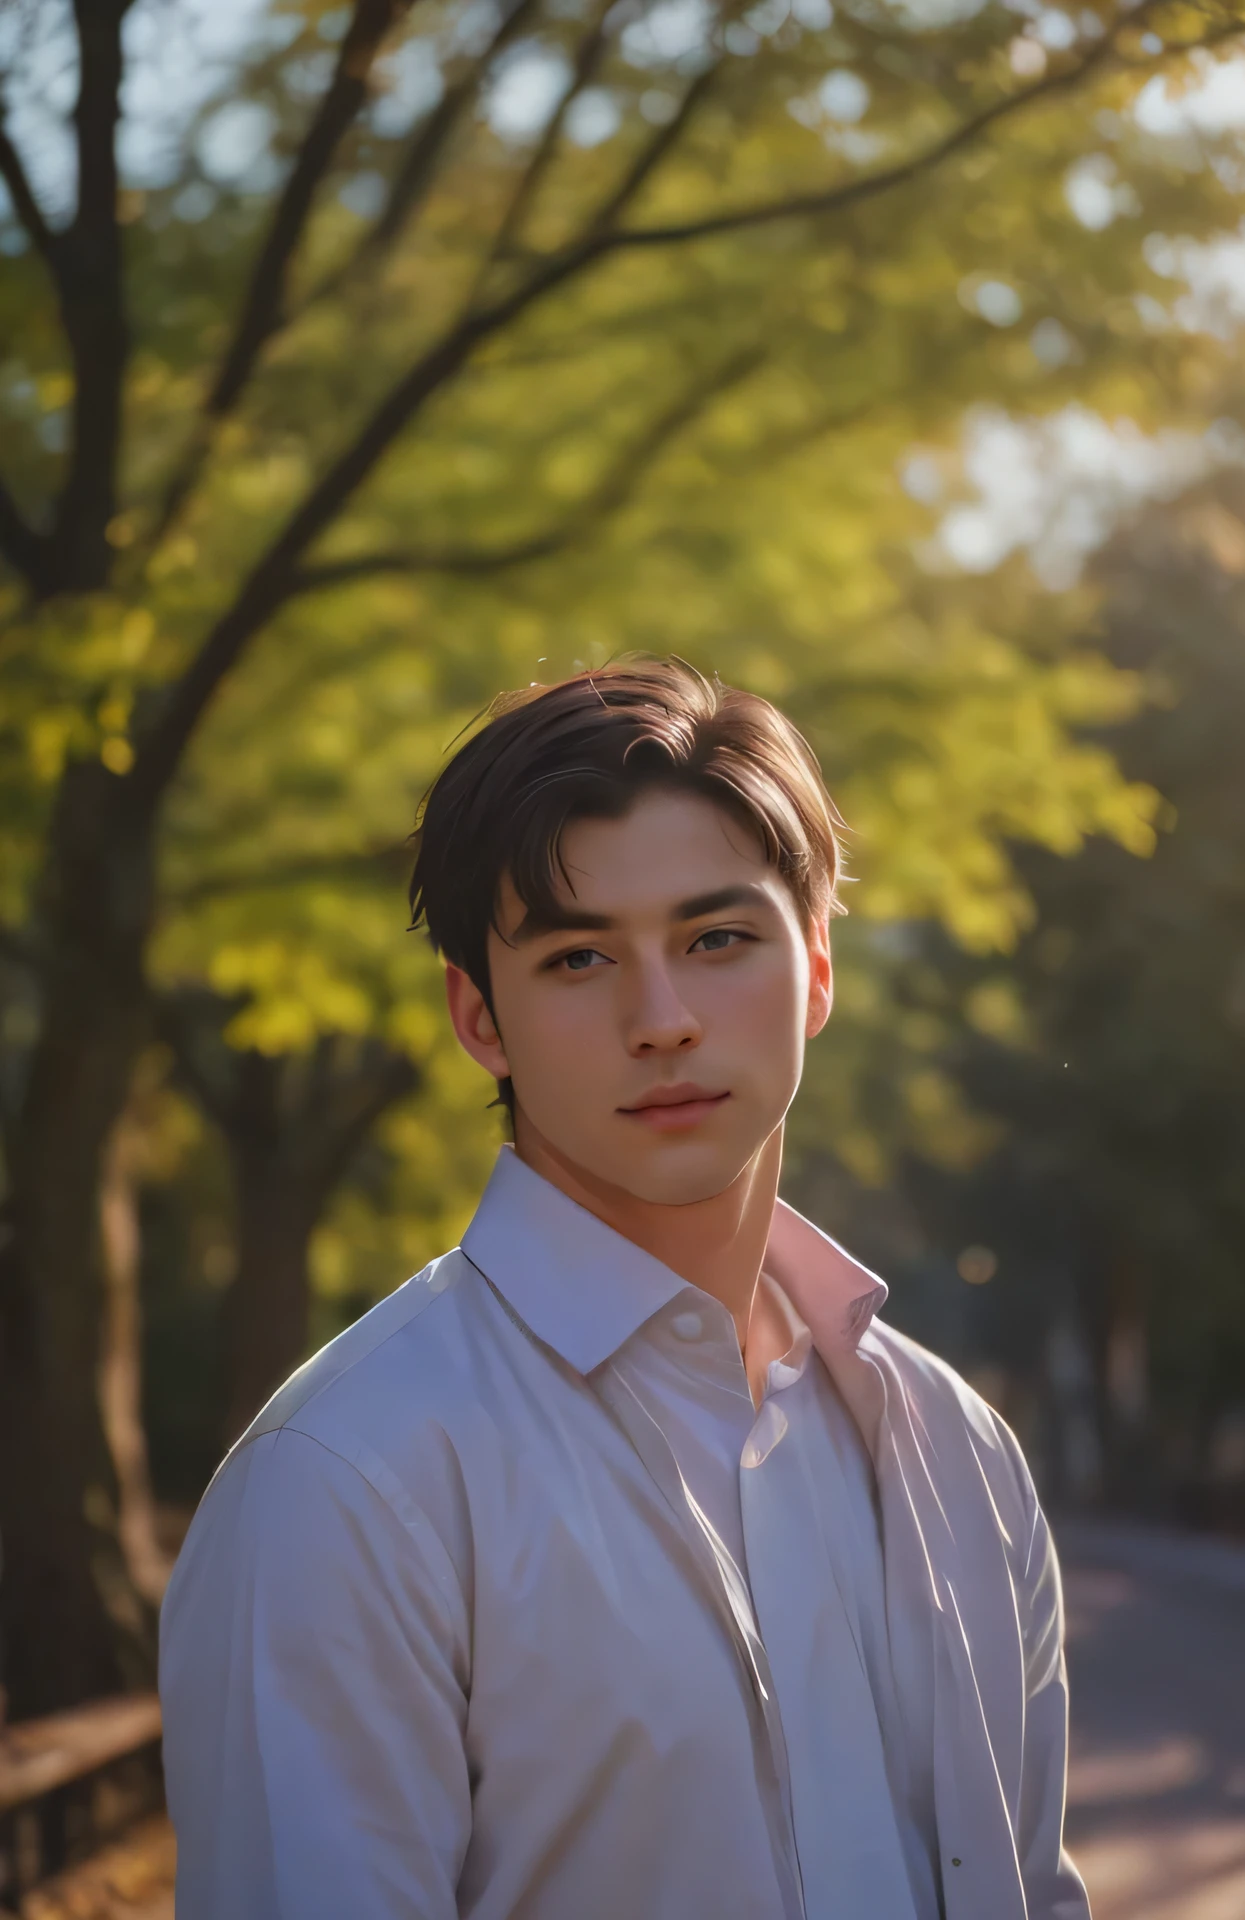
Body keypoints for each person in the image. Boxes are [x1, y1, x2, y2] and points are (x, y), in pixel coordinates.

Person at [160, 658, 1089, 1920]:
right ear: (479, 1019)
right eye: (578, 960)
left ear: (815, 971)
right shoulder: (344, 1481)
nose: (662, 1020)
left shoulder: (954, 1447)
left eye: (717, 939)